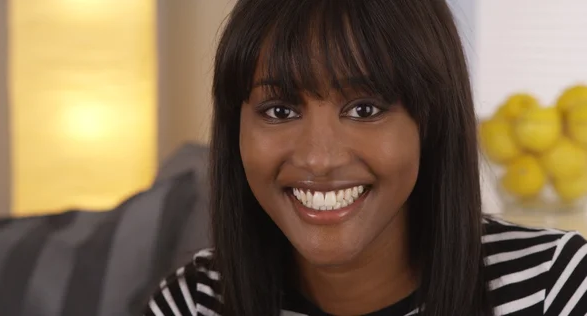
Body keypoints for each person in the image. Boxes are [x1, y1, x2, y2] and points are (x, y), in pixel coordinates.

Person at [144, 1, 587, 315]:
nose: (319, 159)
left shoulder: (556, 289)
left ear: (430, 122)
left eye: (364, 109)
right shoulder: (194, 303)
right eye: (280, 110)